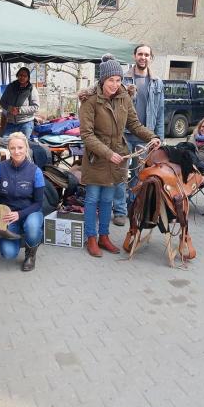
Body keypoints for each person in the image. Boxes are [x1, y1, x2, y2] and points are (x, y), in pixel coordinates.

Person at [79, 54, 160, 257]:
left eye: (118, 80)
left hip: (119, 156)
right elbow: (87, 135)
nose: (115, 84)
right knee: (92, 199)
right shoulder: (89, 101)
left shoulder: (124, 97)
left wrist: (152, 136)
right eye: (111, 80)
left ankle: (104, 237)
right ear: (102, 80)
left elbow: (134, 124)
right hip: (97, 157)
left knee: (108, 199)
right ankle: (91, 237)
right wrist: (107, 153)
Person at [112, 44, 165, 226]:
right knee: (120, 173)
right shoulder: (123, 80)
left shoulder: (157, 82)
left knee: (139, 175)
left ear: (151, 58)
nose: (143, 57)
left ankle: (132, 206)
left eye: (146, 54)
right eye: (140, 54)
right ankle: (119, 210)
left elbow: (160, 112)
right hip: (123, 135)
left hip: (145, 136)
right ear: (134, 56)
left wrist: (159, 137)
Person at [0, 132, 45, 271]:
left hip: (30, 212)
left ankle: (31, 253)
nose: (16, 151)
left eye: (20, 147)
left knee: (32, 227)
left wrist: (19, 214)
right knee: (8, 254)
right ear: (8, 149)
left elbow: (38, 203)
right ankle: (15, 234)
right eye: (13, 148)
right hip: (8, 216)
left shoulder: (36, 172)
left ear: (26, 148)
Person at [0, 67, 39, 138]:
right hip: (11, 123)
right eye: (20, 75)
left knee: (23, 145)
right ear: (17, 75)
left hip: (25, 123)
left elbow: (35, 107)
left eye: (25, 76)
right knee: (5, 144)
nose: (22, 77)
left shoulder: (31, 88)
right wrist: (9, 108)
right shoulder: (10, 87)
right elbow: (2, 101)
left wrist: (19, 110)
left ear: (28, 78)